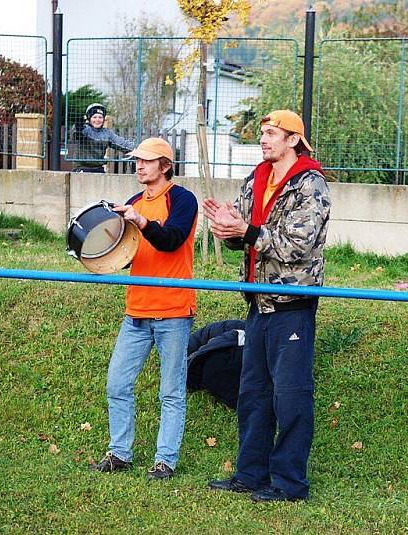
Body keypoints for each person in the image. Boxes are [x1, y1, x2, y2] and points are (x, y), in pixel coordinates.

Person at [202, 110, 331, 502]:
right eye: (263, 133)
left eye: (272, 133)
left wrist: (247, 231)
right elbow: (244, 237)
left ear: (293, 140)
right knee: (252, 393)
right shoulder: (256, 178)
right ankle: (250, 474)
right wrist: (227, 229)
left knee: (290, 397)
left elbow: (297, 246)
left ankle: (290, 484)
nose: (264, 139)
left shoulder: (311, 185)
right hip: (258, 306)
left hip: (292, 306)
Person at [89, 136, 198, 481]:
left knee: (171, 391)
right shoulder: (133, 202)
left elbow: (171, 241)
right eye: (137, 160)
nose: (139, 165)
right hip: (136, 312)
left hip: (173, 311)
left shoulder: (182, 199)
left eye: (147, 161)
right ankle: (120, 453)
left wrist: (141, 221)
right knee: (117, 384)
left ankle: (165, 460)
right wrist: (95, 247)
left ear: (165, 166)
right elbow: (124, 254)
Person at [71, 102, 136, 173]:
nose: (97, 120)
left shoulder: (107, 133)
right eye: (94, 117)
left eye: (100, 117)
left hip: (98, 168)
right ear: (89, 118)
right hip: (82, 168)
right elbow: (76, 136)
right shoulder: (84, 129)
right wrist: (78, 129)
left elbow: (122, 143)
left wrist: (138, 148)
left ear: (103, 119)